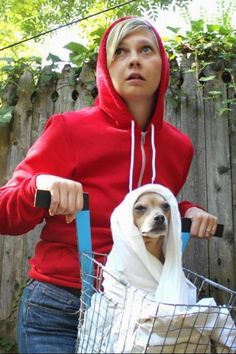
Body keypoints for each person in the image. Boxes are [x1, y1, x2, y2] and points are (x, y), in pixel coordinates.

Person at [0, 16, 218, 353]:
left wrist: (185, 209)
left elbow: (152, 205)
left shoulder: (179, 147)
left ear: (162, 64)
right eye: (120, 52)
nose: (134, 59)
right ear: (106, 66)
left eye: (146, 49)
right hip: (59, 306)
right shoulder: (69, 130)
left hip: (137, 309)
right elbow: (6, 212)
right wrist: (39, 185)